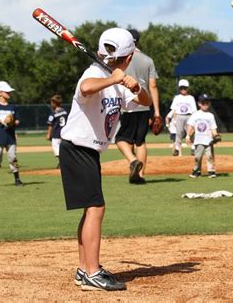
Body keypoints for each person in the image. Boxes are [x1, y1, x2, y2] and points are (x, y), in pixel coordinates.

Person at [59, 27, 151, 291]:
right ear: (129, 56)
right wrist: (114, 79)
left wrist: (135, 85)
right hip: (78, 148)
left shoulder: (116, 78)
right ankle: (92, 272)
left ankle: (84, 269)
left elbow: (144, 101)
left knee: (91, 209)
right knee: (96, 209)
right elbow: (86, 88)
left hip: (88, 150)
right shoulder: (95, 74)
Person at [115, 29, 160, 184]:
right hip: (145, 105)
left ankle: (133, 160)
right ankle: (140, 176)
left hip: (128, 105)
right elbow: (153, 86)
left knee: (121, 138)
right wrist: (157, 112)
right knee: (140, 141)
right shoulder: (148, 60)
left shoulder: (121, 59)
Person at [186, 94, 219, 178]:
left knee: (210, 156)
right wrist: (188, 136)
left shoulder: (210, 115)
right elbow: (190, 126)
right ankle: (197, 170)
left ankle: (211, 171)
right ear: (199, 104)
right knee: (198, 156)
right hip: (198, 139)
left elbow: (213, 127)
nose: (205, 104)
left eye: (207, 103)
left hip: (208, 140)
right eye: (203, 103)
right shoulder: (195, 114)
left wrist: (215, 135)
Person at [170, 79, 197, 156]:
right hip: (179, 116)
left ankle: (193, 148)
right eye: (181, 88)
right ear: (179, 88)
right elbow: (174, 110)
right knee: (178, 133)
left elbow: (194, 111)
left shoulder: (191, 98)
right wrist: (174, 120)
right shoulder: (177, 97)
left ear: (187, 88)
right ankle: (177, 149)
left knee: (191, 133)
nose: (183, 89)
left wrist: (194, 121)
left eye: (184, 88)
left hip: (189, 116)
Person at [45, 94, 68, 168]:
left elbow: (50, 124)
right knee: (63, 149)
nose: (51, 104)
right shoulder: (65, 112)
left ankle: (62, 163)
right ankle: (63, 162)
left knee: (57, 150)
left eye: (51, 103)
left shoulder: (53, 113)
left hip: (56, 134)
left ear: (54, 103)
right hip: (64, 133)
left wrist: (48, 134)